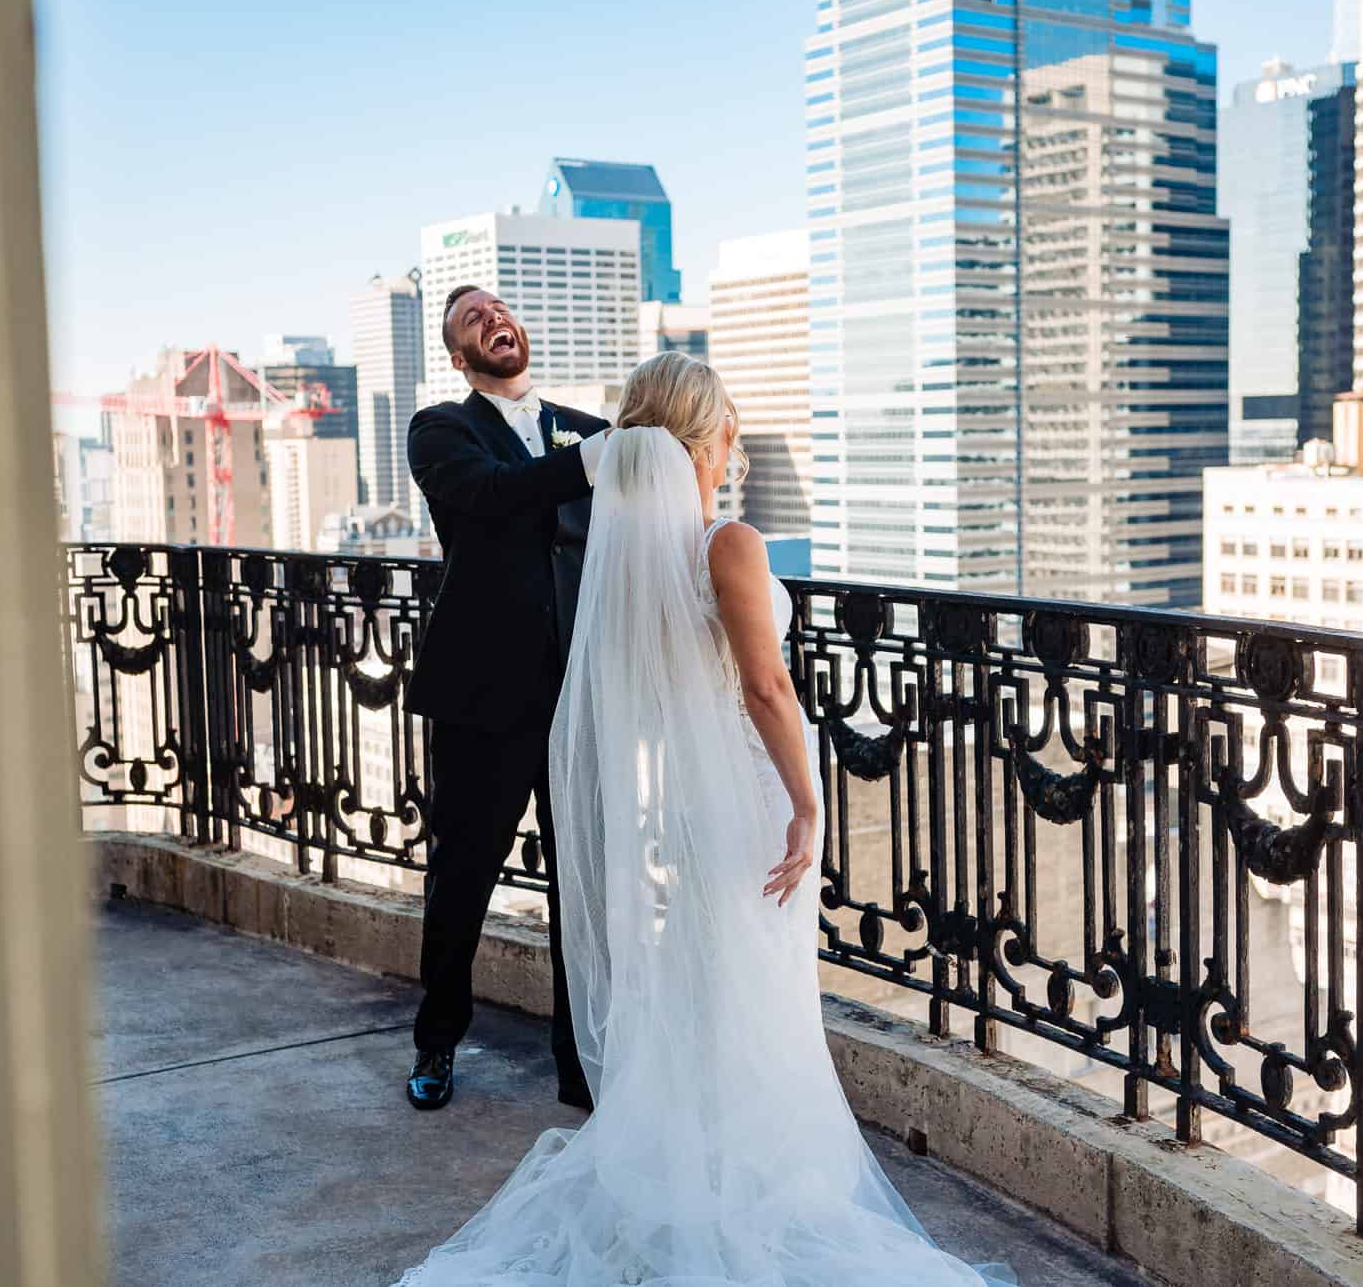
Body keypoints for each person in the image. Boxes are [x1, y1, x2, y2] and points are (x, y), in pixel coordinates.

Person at [394, 353, 1011, 1285]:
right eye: (728, 434)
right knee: (752, 999)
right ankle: (747, 1186)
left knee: (701, 989)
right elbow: (765, 686)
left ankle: (697, 1171)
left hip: (683, 809)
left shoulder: (629, 550)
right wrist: (809, 805)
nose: (732, 452)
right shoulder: (728, 545)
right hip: (746, 802)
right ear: (705, 438)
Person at [402, 285, 609, 1113]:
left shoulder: (588, 430)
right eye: (470, 320)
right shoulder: (439, 431)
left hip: (575, 699)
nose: (493, 319)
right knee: (461, 882)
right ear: (460, 357)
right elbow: (490, 498)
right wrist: (591, 463)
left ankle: (579, 1063)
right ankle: (437, 1041)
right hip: (482, 698)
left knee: (582, 891)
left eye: (498, 309)